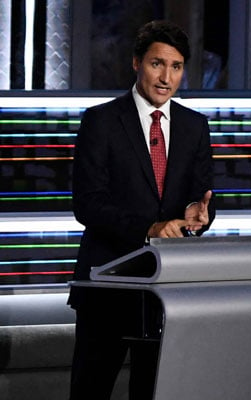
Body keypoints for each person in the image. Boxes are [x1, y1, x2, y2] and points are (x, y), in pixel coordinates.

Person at [69, 20, 215, 400]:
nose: (167, 77)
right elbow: (87, 203)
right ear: (136, 63)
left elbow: (203, 197)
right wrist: (150, 227)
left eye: (177, 67)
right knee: (90, 391)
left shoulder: (195, 126)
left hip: (168, 292)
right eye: (157, 64)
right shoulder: (100, 121)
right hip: (107, 287)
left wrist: (198, 215)